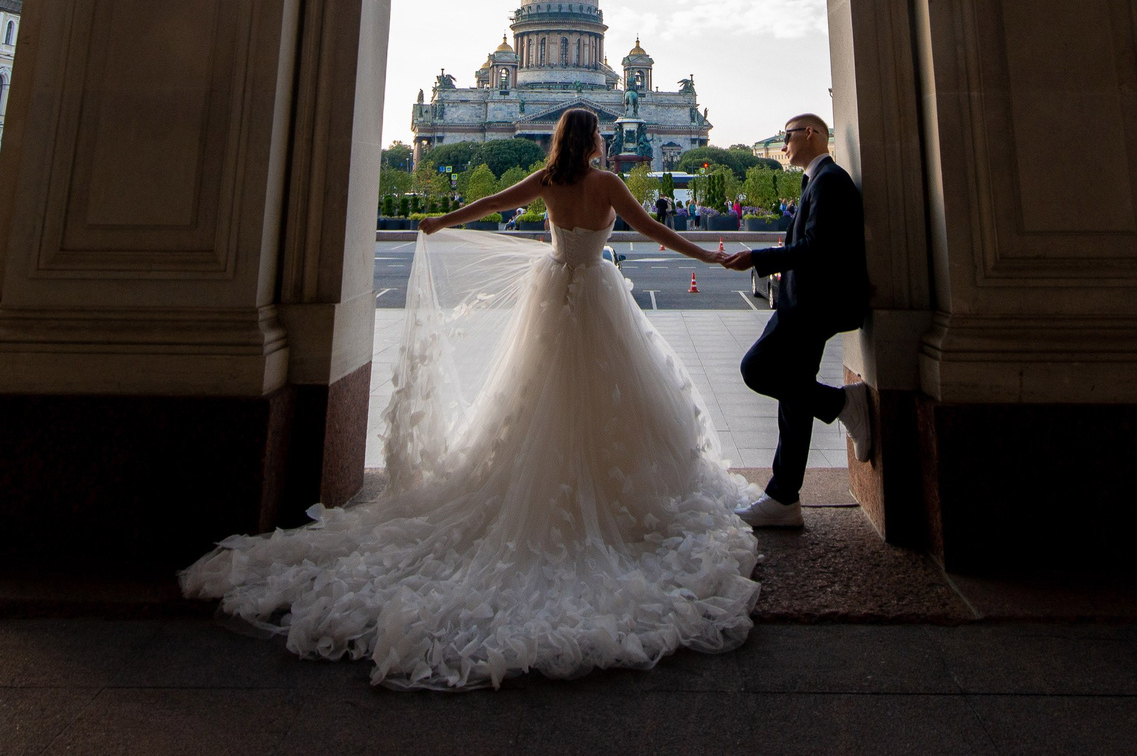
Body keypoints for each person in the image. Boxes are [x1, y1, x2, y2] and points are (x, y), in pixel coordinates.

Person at [180, 108, 756, 690]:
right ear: (594, 139)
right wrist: (707, 256)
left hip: (555, 298)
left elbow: (493, 205)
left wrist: (441, 221)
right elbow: (651, 231)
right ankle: (608, 486)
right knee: (606, 394)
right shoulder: (605, 182)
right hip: (598, 297)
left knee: (538, 395)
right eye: (601, 135)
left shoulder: (549, 182)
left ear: (560, 140)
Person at [721, 113, 874, 529]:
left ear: (812, 134)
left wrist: (758, 257)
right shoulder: (817, 180)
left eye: (787, 136)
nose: (783, 143)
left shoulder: (829, 181)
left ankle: (843, 403)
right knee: (793, 399)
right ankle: (784, 497)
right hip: (805, 302)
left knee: (757, 369)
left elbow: (815, 248)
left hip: (811, 305)